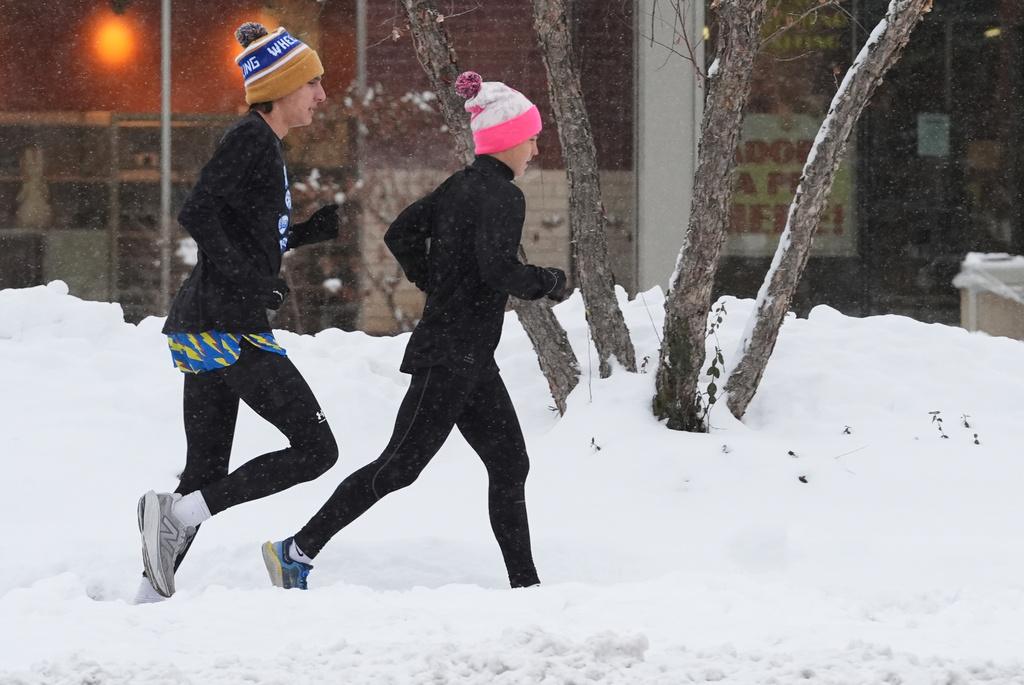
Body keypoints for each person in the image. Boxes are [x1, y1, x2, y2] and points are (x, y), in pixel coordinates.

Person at [261, 71, 566, 591]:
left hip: (468, 355)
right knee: (399, 467)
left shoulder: (460, 186)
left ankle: (527, 587)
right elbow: (497, 270)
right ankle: (296, 550)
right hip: (450, 354)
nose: (536, 148)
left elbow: (401, 232)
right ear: (511, 137)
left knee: (510, 463)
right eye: (533, 137)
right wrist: (549, 281)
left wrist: (434, 279)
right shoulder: (503, 196)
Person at [135, 22, 342, 603]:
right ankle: (175, 514)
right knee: (316, 449)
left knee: (205, 472)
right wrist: (255, 280)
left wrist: (298, 236)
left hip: (208, 324)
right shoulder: (251, 138)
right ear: (280, 89)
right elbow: (198, 212)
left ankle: (144, 605)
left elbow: (239, 230)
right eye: (314, 83)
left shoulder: (263, 143)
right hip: (225, 326)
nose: (322, 95)